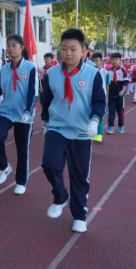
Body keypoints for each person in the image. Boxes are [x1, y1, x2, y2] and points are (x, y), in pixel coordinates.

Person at [41, 29, 106, 233]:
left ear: (84, 51)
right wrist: (46, 121)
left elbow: (99, 102)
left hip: (81, 131)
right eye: (64, 49)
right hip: (57, 128)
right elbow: (46, 100)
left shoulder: (93, 74)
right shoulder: (51, 74)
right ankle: (60, 196)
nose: (68, 53)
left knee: (79, 176)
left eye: (73, 49)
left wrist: (94, 121)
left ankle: (79, 215)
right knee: (49, 164)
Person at [0, 34, 38, 195]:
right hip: (6, 111)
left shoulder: (30, 68)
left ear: (21, 47)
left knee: (22, 150)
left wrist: (28, 111)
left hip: (24, 115)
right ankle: (4, 167)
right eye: (8, 46)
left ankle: (21, 181)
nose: (10, 49)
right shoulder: (4, 69)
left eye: (14, 45)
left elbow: (33, 93)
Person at [107, 52, 128, 134]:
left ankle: (121, 126)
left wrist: (122, 91)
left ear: (120, 61)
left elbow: (125, 82)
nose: (114, 61)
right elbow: (107, 84)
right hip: (111, 95)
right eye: (112, 59)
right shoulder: (108, 71)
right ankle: (110, 127)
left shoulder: (123, 71)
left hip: (120, 95)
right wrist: (107, 96)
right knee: (111, 110)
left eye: (116, 59)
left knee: (120, 112)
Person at [91, 52, 108, 143]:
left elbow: (107, 86)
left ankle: (99, 134)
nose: (95, 63)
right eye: (93, 61)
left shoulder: (105, 73)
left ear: (101, 61)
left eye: (96, 61)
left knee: (100, 115)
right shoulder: (89, 72)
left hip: (101, 97)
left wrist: (107, 98)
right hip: (91, 96)